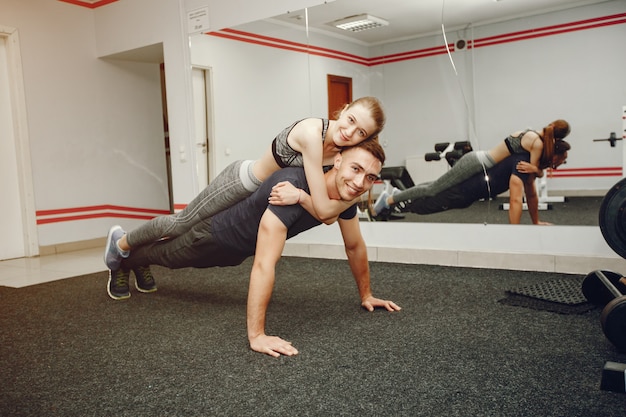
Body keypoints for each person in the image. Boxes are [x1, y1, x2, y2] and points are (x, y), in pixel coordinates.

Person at [108, 140, 401, 357]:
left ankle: (136, 259)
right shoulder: (292, 185)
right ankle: (124, 261)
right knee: (167, 256)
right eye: (356, 168)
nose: (360, 182)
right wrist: (257, 335)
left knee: (168, 253)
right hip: (214, 235)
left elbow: (354, 246)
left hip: (235, 249)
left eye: (370, 177)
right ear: (337, 161)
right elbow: (264, 263)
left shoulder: (342, 198)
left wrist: (367, 294)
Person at [104, 96, 386, 271]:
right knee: (182, 224)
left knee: (192, 239)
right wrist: (339, 201)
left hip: (255, 200)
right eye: (350, 119)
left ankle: (140, 258)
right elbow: (325, 210)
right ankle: (121, 242)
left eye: (360, 131)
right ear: (345, 109)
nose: (350, 131)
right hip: (241, 182)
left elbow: (335, 199)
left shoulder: (340, 153)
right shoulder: (313, 134)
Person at [372, 119, 571, 215]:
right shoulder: (536, 142)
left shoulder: (530, 132)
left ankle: (395, 197)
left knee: (435, 185)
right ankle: (390, 199)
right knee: (433, 189)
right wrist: (540, 170)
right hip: (477, 162)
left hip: (479, 160)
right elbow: (532, 168)